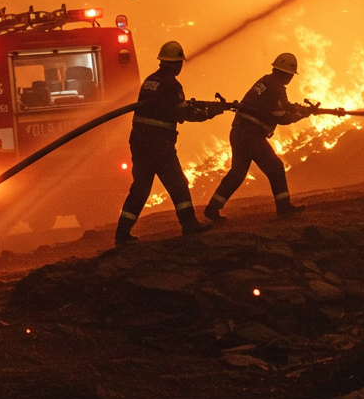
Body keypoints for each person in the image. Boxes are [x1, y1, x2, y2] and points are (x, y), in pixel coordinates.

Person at [114, 40, 211, 246]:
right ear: (176, 63)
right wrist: (206, 114)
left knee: (140, 188)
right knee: (178, 184)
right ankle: (189, 224)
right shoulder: (171, 84)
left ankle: (122, 233)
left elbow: (166, 107)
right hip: (158, 144)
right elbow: (183, 112)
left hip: (140, 142)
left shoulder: (151, 81)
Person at [204, 52, 307, 223]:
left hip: (239, 131)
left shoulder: (266, 81)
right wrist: (300, 115)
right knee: (275, 167)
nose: (291, 78)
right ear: (286, 73)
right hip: (251, 135)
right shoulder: (277, 87)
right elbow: (281, 117)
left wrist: (296, 108)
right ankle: (283, 207)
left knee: (237, 173)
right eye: (290, 74)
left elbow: (278, 105)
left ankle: (212, 208)